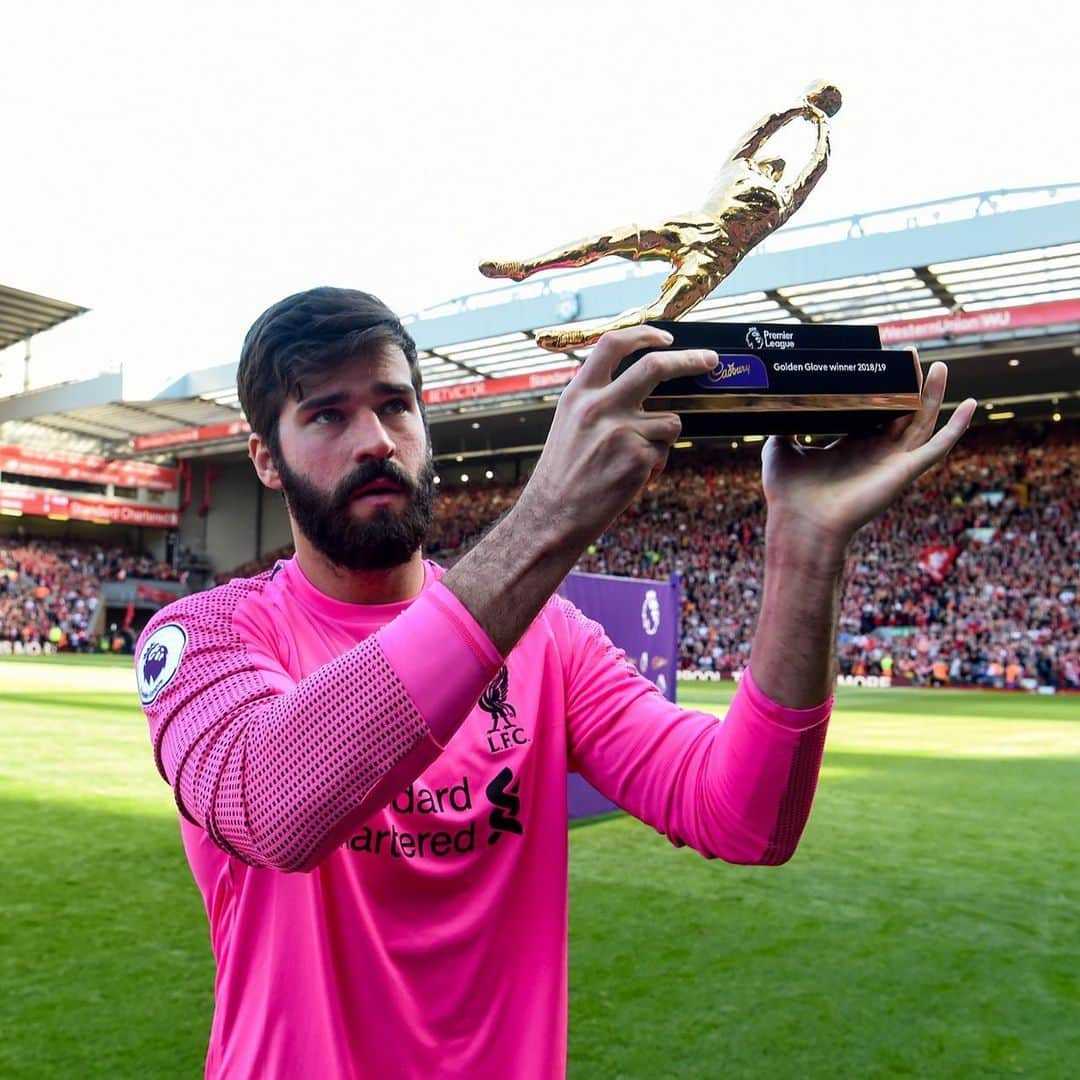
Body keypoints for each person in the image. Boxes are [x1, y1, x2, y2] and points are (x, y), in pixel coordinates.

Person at [135, 286, 976, 1079]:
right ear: (267, 459)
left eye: (395, 404)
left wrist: (807, 547)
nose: (376, 440)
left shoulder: (550, 639)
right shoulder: (204, 634)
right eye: (326, 414)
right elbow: (273, 806)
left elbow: (744, 816)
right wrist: (548, 519)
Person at [479, 82, 841, 350]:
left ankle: (587, 337)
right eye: (772, 164)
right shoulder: (738, 167)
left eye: (779, 168)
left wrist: (824, 127)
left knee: (663, 314)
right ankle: (527, 266)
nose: (776, 167)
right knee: (609, 241)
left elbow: (815, 169)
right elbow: (761, 130)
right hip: (693, 225)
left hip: (720, 256)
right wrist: (799, 109)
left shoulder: (782, 200)